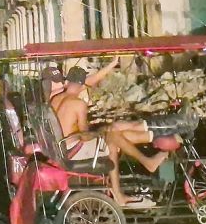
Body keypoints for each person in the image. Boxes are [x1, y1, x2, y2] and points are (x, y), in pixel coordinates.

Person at [50, 58, 168, 208]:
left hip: (61, 148)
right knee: (111, 136)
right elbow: (85, 135)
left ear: (68, 82)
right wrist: (99, 132)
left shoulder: (55, 99)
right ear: (82, 84)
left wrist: (111, 64)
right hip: (73, 150)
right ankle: (144, 165)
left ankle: (120, 190)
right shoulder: (78, 104)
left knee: (111, 134)